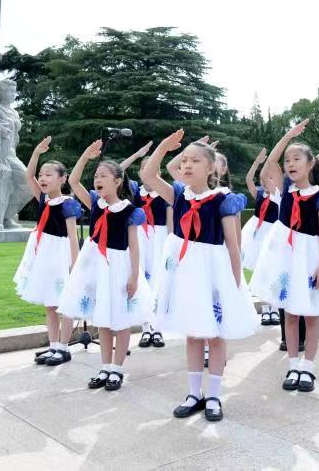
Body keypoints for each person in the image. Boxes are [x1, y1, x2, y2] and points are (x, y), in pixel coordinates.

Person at [142, 130, 256, 422]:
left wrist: (234, 282)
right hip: (184, 271)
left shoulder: (223, 200)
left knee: (215, 333)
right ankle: (194, 392)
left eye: (195, 161)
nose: (188, 165)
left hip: (212, 271)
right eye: (185, 161)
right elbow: (149, 175)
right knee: (193, 333)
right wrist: (166, 147)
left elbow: (233, 245)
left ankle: (215, 394)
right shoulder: (178, 194)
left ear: (211, 168)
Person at [250, 119, 319, 392]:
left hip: (310, 255)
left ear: (310, 163)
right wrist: (288, 136)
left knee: (311, 315)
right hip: (287, 257)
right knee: (289, 312)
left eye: (297, 158)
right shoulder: (285, 190)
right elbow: (268, 167)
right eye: (288, 159)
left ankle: (308, 368)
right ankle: (292, 365)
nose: (290, 163)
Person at [58, 141, 153, 391]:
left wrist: (134, 276)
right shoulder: (94, 203)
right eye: (97, 175)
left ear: (118, 181)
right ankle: (105, 367)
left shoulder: (130, 210)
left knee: (119, 318)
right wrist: (86, 156)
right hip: (97, 265)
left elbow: (134, 246)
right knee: (103, 317)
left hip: (119, 266)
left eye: (104, 176)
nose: (98, 179)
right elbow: (75, 181)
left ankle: (117, 368)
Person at [14, 137, 81, 366]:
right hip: (43, 255)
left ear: (62, 179)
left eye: (49, 174)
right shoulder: (43, 199)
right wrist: (36, 153)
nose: (42, 178)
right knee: (50, 303)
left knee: (65, 302)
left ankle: (63, 347)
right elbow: (28, 175)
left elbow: (73, 237)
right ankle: (53, 346)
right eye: (42, 174)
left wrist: (75, 265)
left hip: (60, 255)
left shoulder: (68, 203)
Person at [120, 142, 169, 348]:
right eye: (143, 168)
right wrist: (137, 153)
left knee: (158, 282)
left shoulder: (165, 193)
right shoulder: (133, 192)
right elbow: (118, 171)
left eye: (152, 168)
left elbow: (172, 223)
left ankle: (157, 329)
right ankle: (145, 329)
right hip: (139, 239)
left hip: (159, 239)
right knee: (142, 282)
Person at [241, 147, 282, 326]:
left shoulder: (278, 195)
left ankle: (274, 307)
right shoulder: (258, 193)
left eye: (271, 177)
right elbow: (248, 178)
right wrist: (257, 162)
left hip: (272, 233)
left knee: (271, 268)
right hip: (255, 233)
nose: (267, 180)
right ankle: (266, 309)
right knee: (258, 268)